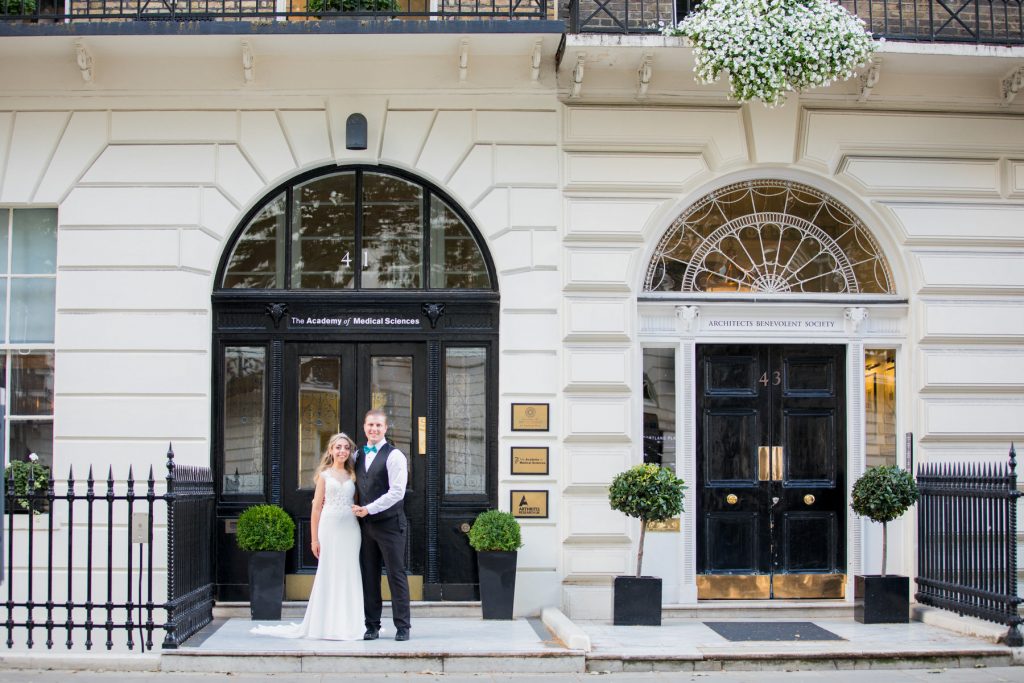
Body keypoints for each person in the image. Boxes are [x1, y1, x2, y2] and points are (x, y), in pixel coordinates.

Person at [251, 433, 364, 641]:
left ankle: (349, 623)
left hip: (350, 528)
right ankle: (325, 623)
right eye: (338, 447)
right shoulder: (325, 475)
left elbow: (356, 500)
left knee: (349, 573)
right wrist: (314, 539)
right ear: (330, 450)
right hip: (329, 527)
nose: (342, 451)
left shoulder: (353, 475)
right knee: (329, 572)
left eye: (346, 448)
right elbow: (316, 509)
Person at [352, 408, 411, 642]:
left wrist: (370, 508)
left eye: (378, 425)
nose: (374, 429)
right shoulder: (357, 455)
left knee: (396, 575)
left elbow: (397, 492)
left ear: (385, 428)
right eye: (370, 425)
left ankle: (403, 626)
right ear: (364, 427)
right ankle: (372, 625)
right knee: (369, 575)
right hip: (365, 527)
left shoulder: (395, 456)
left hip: (390, 525)